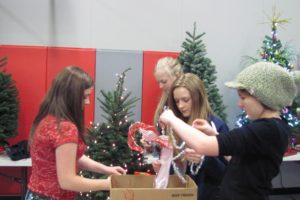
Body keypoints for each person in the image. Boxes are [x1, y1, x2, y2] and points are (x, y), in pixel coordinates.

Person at [159, 62, 300, 200]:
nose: (240, 104)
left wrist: (172, 119)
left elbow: (203, 145)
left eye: (243, 98)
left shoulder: (267, 129)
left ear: (263, 97)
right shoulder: (269, 128)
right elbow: (241, 161)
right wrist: (214, 135)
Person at [26, 66, 126, 200]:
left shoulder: (47, 119)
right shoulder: (66, 128)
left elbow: (70, 157)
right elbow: (67, 181)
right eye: (84, 97)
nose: (87, 102)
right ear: (70, 96)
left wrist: (105, 169)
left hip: (34, 195)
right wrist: (108, 184)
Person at [156, 73, 229, 200]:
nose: (180, 106)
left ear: (198, 97)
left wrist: (204, 159)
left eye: (185, 100)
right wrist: (163, 166)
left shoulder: (216, 126)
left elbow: (226, 174)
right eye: (177, 101)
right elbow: (177, 171)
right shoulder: (175, 127)